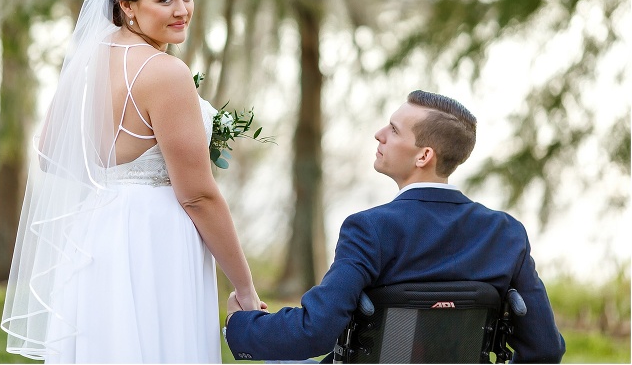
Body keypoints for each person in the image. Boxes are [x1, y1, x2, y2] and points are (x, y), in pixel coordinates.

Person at [1, 0, 265, 363]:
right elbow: (198, 195)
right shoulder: (164, 72)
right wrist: (245, 289)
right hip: (155, 239)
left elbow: (51, 152)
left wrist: (113, 179)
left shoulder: (87, 59)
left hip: (98, 231)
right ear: (127, 5)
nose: (182, 11)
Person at [225, 90, 566, 363]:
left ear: (423, 156)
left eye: (394, 129)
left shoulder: (369, 229)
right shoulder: (506, 233)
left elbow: (314, 332)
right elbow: (545, 349)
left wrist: (241, 324)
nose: (379, 134)